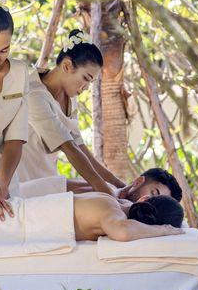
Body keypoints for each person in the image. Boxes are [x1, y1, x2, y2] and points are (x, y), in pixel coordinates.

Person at [0, 0, 121, 220]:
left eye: (4, 50)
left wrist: (2, 183)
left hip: (4, 188)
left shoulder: (19, 72)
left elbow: (15, 139)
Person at [14, 29, 126, 198]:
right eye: (86, 78)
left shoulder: (70, 97)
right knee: (104, 194)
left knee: (109, 191)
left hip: (48, 180)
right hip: (24, 186)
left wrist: (119, 185)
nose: (86, 87)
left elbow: (80, 147)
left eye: (90, 82)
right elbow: (69, 148)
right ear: (67, 66)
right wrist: (108, 193)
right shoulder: (33, 94)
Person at [74, 192, 185, 242]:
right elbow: (123, 232)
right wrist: (163, 230)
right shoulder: (112, 211)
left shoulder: (109, 199)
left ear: (144, 199)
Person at [69, 166, 183, 207]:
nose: (151, 203)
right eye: (153, 194)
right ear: (138, 182)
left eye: (159, 203)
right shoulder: (110, 195)